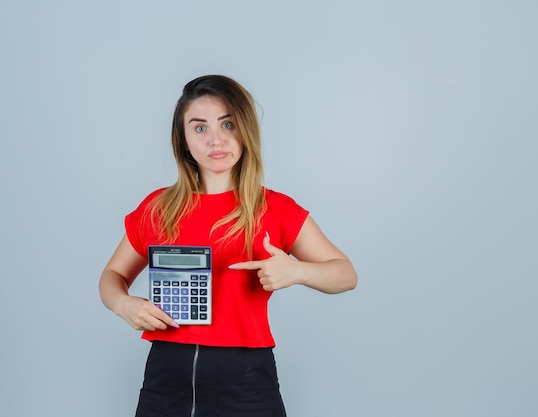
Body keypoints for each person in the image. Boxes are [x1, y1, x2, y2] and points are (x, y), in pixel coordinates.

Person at [99, 74, 357, 417]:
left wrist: (297, 271)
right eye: (200, 127)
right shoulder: (157, 208)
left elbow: (345, 274)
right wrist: (122, 304)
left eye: (227, 124)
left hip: (246, 379)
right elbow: (113, 274)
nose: (215, 140)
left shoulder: (276, 209)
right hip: (165, 376)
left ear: (244, 131)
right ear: (184, 139)